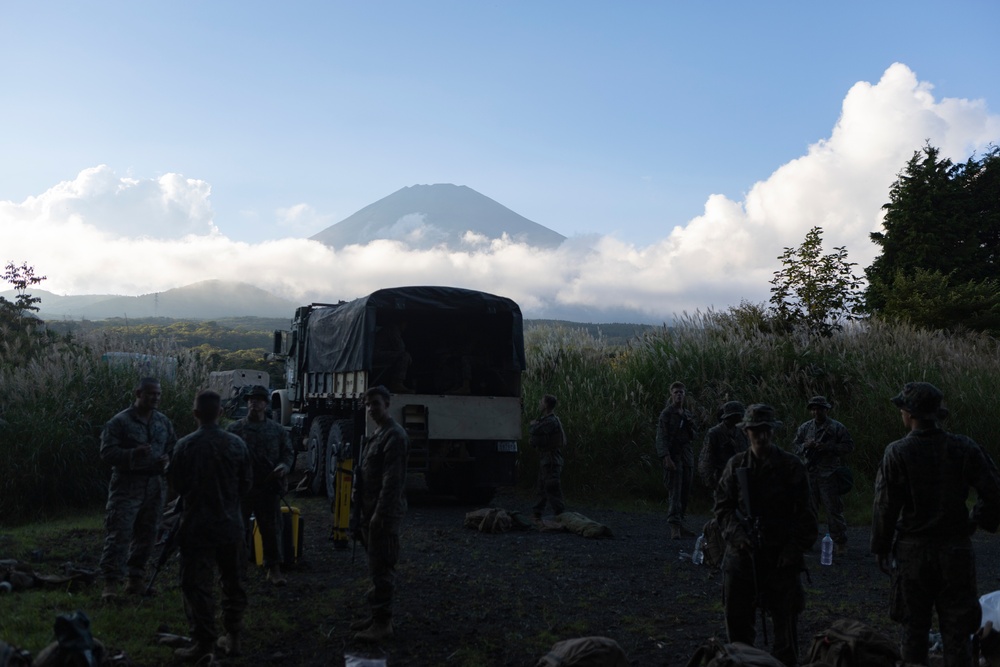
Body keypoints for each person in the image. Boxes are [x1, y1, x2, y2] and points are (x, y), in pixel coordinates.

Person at [871, 382, 1000, 667]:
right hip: (955, 552)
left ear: (909, 413)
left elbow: (885, 505)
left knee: (913, 630)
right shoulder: (964, 447)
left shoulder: (897, 452)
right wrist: (975, 521)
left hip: (912, 554)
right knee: (958, 633)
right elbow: (994, 490)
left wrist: (881, 547)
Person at [714, 404, 817, 667]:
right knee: (738, 636)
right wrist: (738, 536)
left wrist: (792, 550)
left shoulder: (792, 467)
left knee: (786, 636)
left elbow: (806, 518)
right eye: (755, 431)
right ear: (746, 431)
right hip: (743, 558)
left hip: (780, 559)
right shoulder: (736, 466)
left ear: (772, 431)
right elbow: (723, 510)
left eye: (765, 430)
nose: (761, 436)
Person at [166, 390, 253, 662]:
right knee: (233, 582)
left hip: (197, 528)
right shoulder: (237, 444)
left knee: (197, 585)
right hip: (231, 526)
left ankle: (204, 643)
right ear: (221, 413)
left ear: (195, 414)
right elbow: (246, 485)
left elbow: (176, 485)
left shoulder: (185, 446)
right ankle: (234, 636)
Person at [98, 377, 177, 601]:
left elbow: (173, 448)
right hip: (127, 485)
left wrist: (167, 461)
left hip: (155, 486)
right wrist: (132, 454)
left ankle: (135, 580)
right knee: (119, 533)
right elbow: (106, 453)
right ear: (138, 393)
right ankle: (111, 583)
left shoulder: (163, 422)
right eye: (151, 393)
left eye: (159, 394)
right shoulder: (120, 422)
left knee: (148, 534)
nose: (156, 398)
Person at [350, 385, 410, 642]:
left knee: (382, 567)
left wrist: (379, 516)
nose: (371, 408)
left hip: (382, 513)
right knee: (375, 565)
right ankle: (376, 615)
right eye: (367, 404)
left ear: (387, 404)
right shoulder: (377, 434)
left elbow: (392, 482)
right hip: (369, 510)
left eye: (375, 403)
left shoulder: (394, 436)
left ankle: (383, 623)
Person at [226, 385, 295, 586]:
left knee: (271, 528)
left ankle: (273, 568)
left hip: (268, 487)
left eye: (258, 399)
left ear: (266, 403)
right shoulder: (235, 429)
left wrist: (283, 467)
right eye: (250, 399)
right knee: (237, 530)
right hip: (242, 488)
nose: (253, 402)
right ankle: (238, 569)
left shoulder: (278, 430)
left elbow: (287, 453)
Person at [791, 396, 853, 554]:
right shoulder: (805, 428)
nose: (816, 411)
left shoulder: (836, 427)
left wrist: (828, 447)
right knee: (808, 510)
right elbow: (795, 446)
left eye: (819, 408)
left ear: (826, 409)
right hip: (810, 474)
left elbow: (848, 446)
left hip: (829, 475)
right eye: (814, 408)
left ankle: (840, 541)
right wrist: (807, 445)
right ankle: (808, 541)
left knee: (833, 510)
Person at [655, 381, 697, 539]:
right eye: (676, 392)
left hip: (686, 455)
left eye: (681, 392)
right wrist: (666, 457)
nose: (679, 395)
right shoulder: (667, 414)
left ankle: (681, 522)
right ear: (671, 394)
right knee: (675, 491)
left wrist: (690, 425)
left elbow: (694, 435)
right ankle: (674, 526)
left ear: (685, 395)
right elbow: (661, 437)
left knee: (685, 491)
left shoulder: (687, 414)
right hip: (673, 455)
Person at [530, 394, 567, 519]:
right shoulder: (548, 420)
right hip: (546, 458)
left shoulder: (551, 421)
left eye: (541, 402)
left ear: (546, 405)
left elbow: (535, 430)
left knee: (552, 486)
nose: (540, 404)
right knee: (542, 486)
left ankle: (561, 513)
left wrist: (534, 424)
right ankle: (537, 513)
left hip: (551, 459)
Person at [698, 400, 748, 491]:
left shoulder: (741, 431)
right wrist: (710, 481)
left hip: (740, 477)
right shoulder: (714, 433)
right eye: (738, 416)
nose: (741, 418)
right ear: (730, 417)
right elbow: (706, 460)